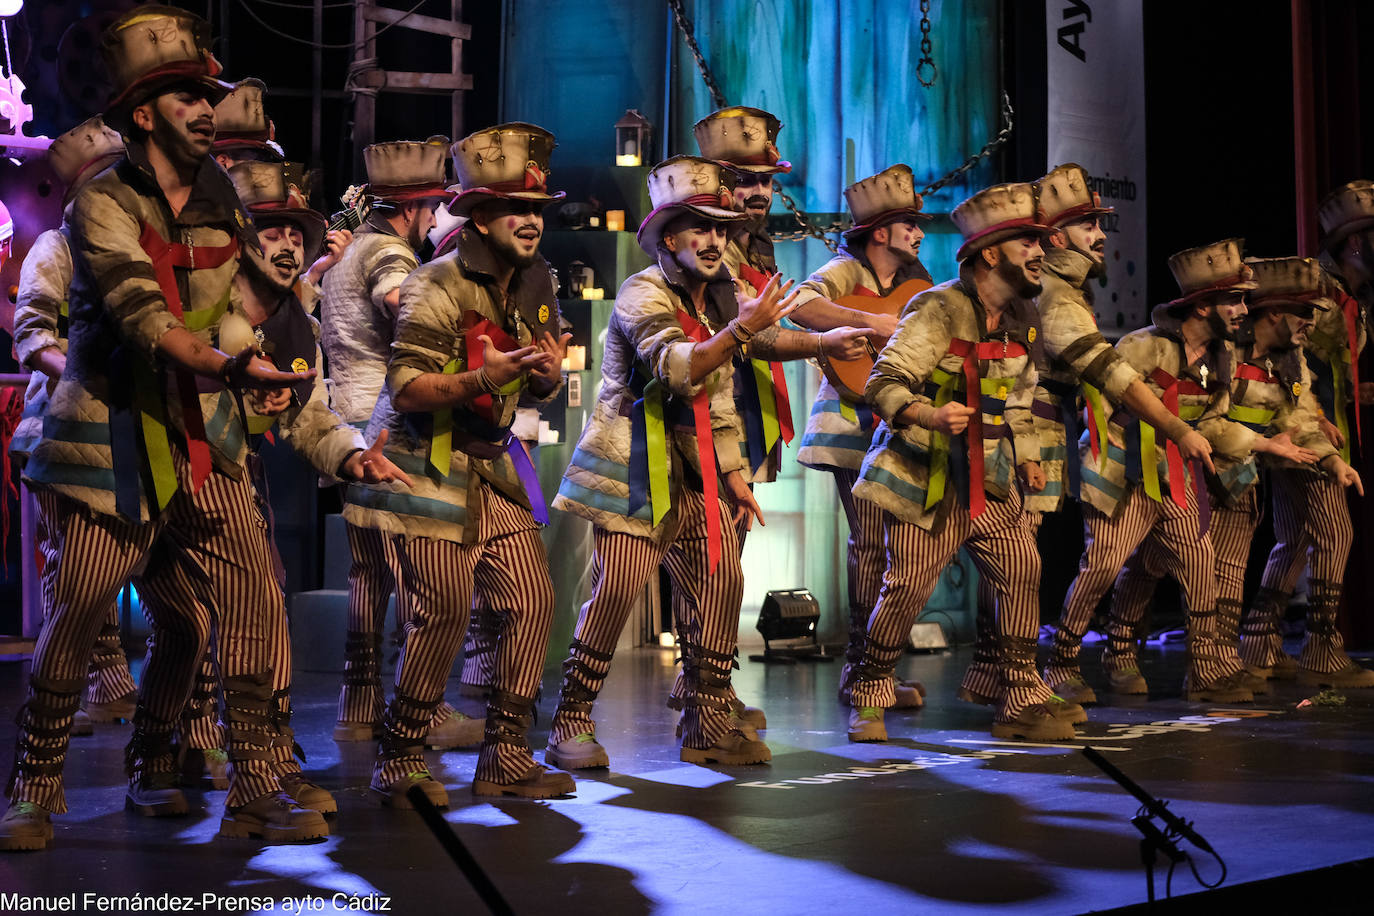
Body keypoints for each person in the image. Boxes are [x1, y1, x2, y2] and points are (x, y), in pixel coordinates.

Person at [1, 4, 324, 850]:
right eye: (186, 94)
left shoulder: (222, 202)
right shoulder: (101, 206)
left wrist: (267, 322)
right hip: (111, 438)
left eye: (206, 92)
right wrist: (229, 363)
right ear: (144, 114)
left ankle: (244, 781)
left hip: (201, 437)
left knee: (241, 599)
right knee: (79, 611)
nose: (206, 108)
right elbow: (145, 315)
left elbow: (227, 315)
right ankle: (34, 784)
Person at [343, 122, 576, 803]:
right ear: (477, 215)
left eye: (536, 209)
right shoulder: (432, 284)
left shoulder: (536, 279)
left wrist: (545, 377)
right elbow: (408, 389)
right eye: (515, 209)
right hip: (422, 459)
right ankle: (402, 753)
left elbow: (538, 379)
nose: (530, 222)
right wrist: (483, 377)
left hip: (488, 459)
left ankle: (507, 753)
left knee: (533, 599)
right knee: (442, 609)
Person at [548, 156, 796, 769]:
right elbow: (679, 368)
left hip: (695, 469)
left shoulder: (714, 299)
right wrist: (740, 331)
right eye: (699, 227)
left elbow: (718, 399)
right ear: (667, 238)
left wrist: (735, 476)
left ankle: (707, 723)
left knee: (721, 583)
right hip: (632, 466)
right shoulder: (641, 292)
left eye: (720, 227)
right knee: (620, 589)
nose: (714, 240)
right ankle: (571, 718)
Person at [847, 182, 1072, 743]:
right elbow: (883, 383)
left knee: (1023, 568)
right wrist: (928, 415)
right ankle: (870, 691)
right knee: (908, 588)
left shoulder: (1023, 317)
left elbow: (1017, 399)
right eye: (1028, 241)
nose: (1040, 251)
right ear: (991, 253)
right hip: (929, 477)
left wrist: (1028, 458)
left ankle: (1020, 693)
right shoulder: (938, 307)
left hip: (990, 478)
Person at [1104, 256, 1364, 691]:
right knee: (1148, 562)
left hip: (1237, 472)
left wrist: (1329, 459)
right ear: (1275, 312)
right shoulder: (1225, 348)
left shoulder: (1289, 360)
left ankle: (1220, 660)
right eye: (1304, 314)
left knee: (1226, 566)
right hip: (1180, 463)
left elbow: (1296, 417)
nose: (1311, 325)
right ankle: (1120, 647)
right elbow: (1204, 418)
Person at [1053, 238, 1260, 705]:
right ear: (1203, 306)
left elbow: (1210, 421)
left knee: (1199, 559)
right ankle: (1063, 662)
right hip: (1121, 470)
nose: (1243, 309)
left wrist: (1261, 444)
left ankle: (1205, 668)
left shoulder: (1222, 358)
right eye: (1234, 300)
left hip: (1172, 475)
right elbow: (1100, 401)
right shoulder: (1143, 346)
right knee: (1103, 566)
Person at [321, 138, 476, 748]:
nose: (437, 219)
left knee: (367, 572)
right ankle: (424, 705)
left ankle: (358, 703)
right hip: (388, 424)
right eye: (433, 207)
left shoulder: (350, 248)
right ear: (411, 208)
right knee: (415, 571)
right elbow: (400, 298)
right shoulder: (387, 251)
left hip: (347, 420)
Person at [788, 164, 935, 709]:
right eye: (909, 225)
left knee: (901, 548)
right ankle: (861, 669)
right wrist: (873, 324)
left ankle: (880, 664)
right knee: (870, 542)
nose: (919, 234)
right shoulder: (847, 270)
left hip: (900, 423)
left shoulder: (917, 283)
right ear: (880, 232)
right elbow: (801, 304)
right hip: (852, 423)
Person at [10, 117, 139, 735]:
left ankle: (109, 683)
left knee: (104, 565)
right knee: (71, 565)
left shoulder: (131, 251)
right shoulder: (55, 249)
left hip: (120, 424)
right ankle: (71, 690)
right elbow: (31, 335)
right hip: (58, 425)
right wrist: (86, 371)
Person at [1241, 181, 1374, 688]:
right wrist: (1308, 414)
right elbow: (1282, 353)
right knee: (1333, 533)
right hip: (1292, 425)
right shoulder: (1308, 287)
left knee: (1294, 539)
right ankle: (1321, 644)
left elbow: (1339, 369)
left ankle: (1259, 644)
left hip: (1319, 426)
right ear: (1357, 244)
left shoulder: (1356, 298)